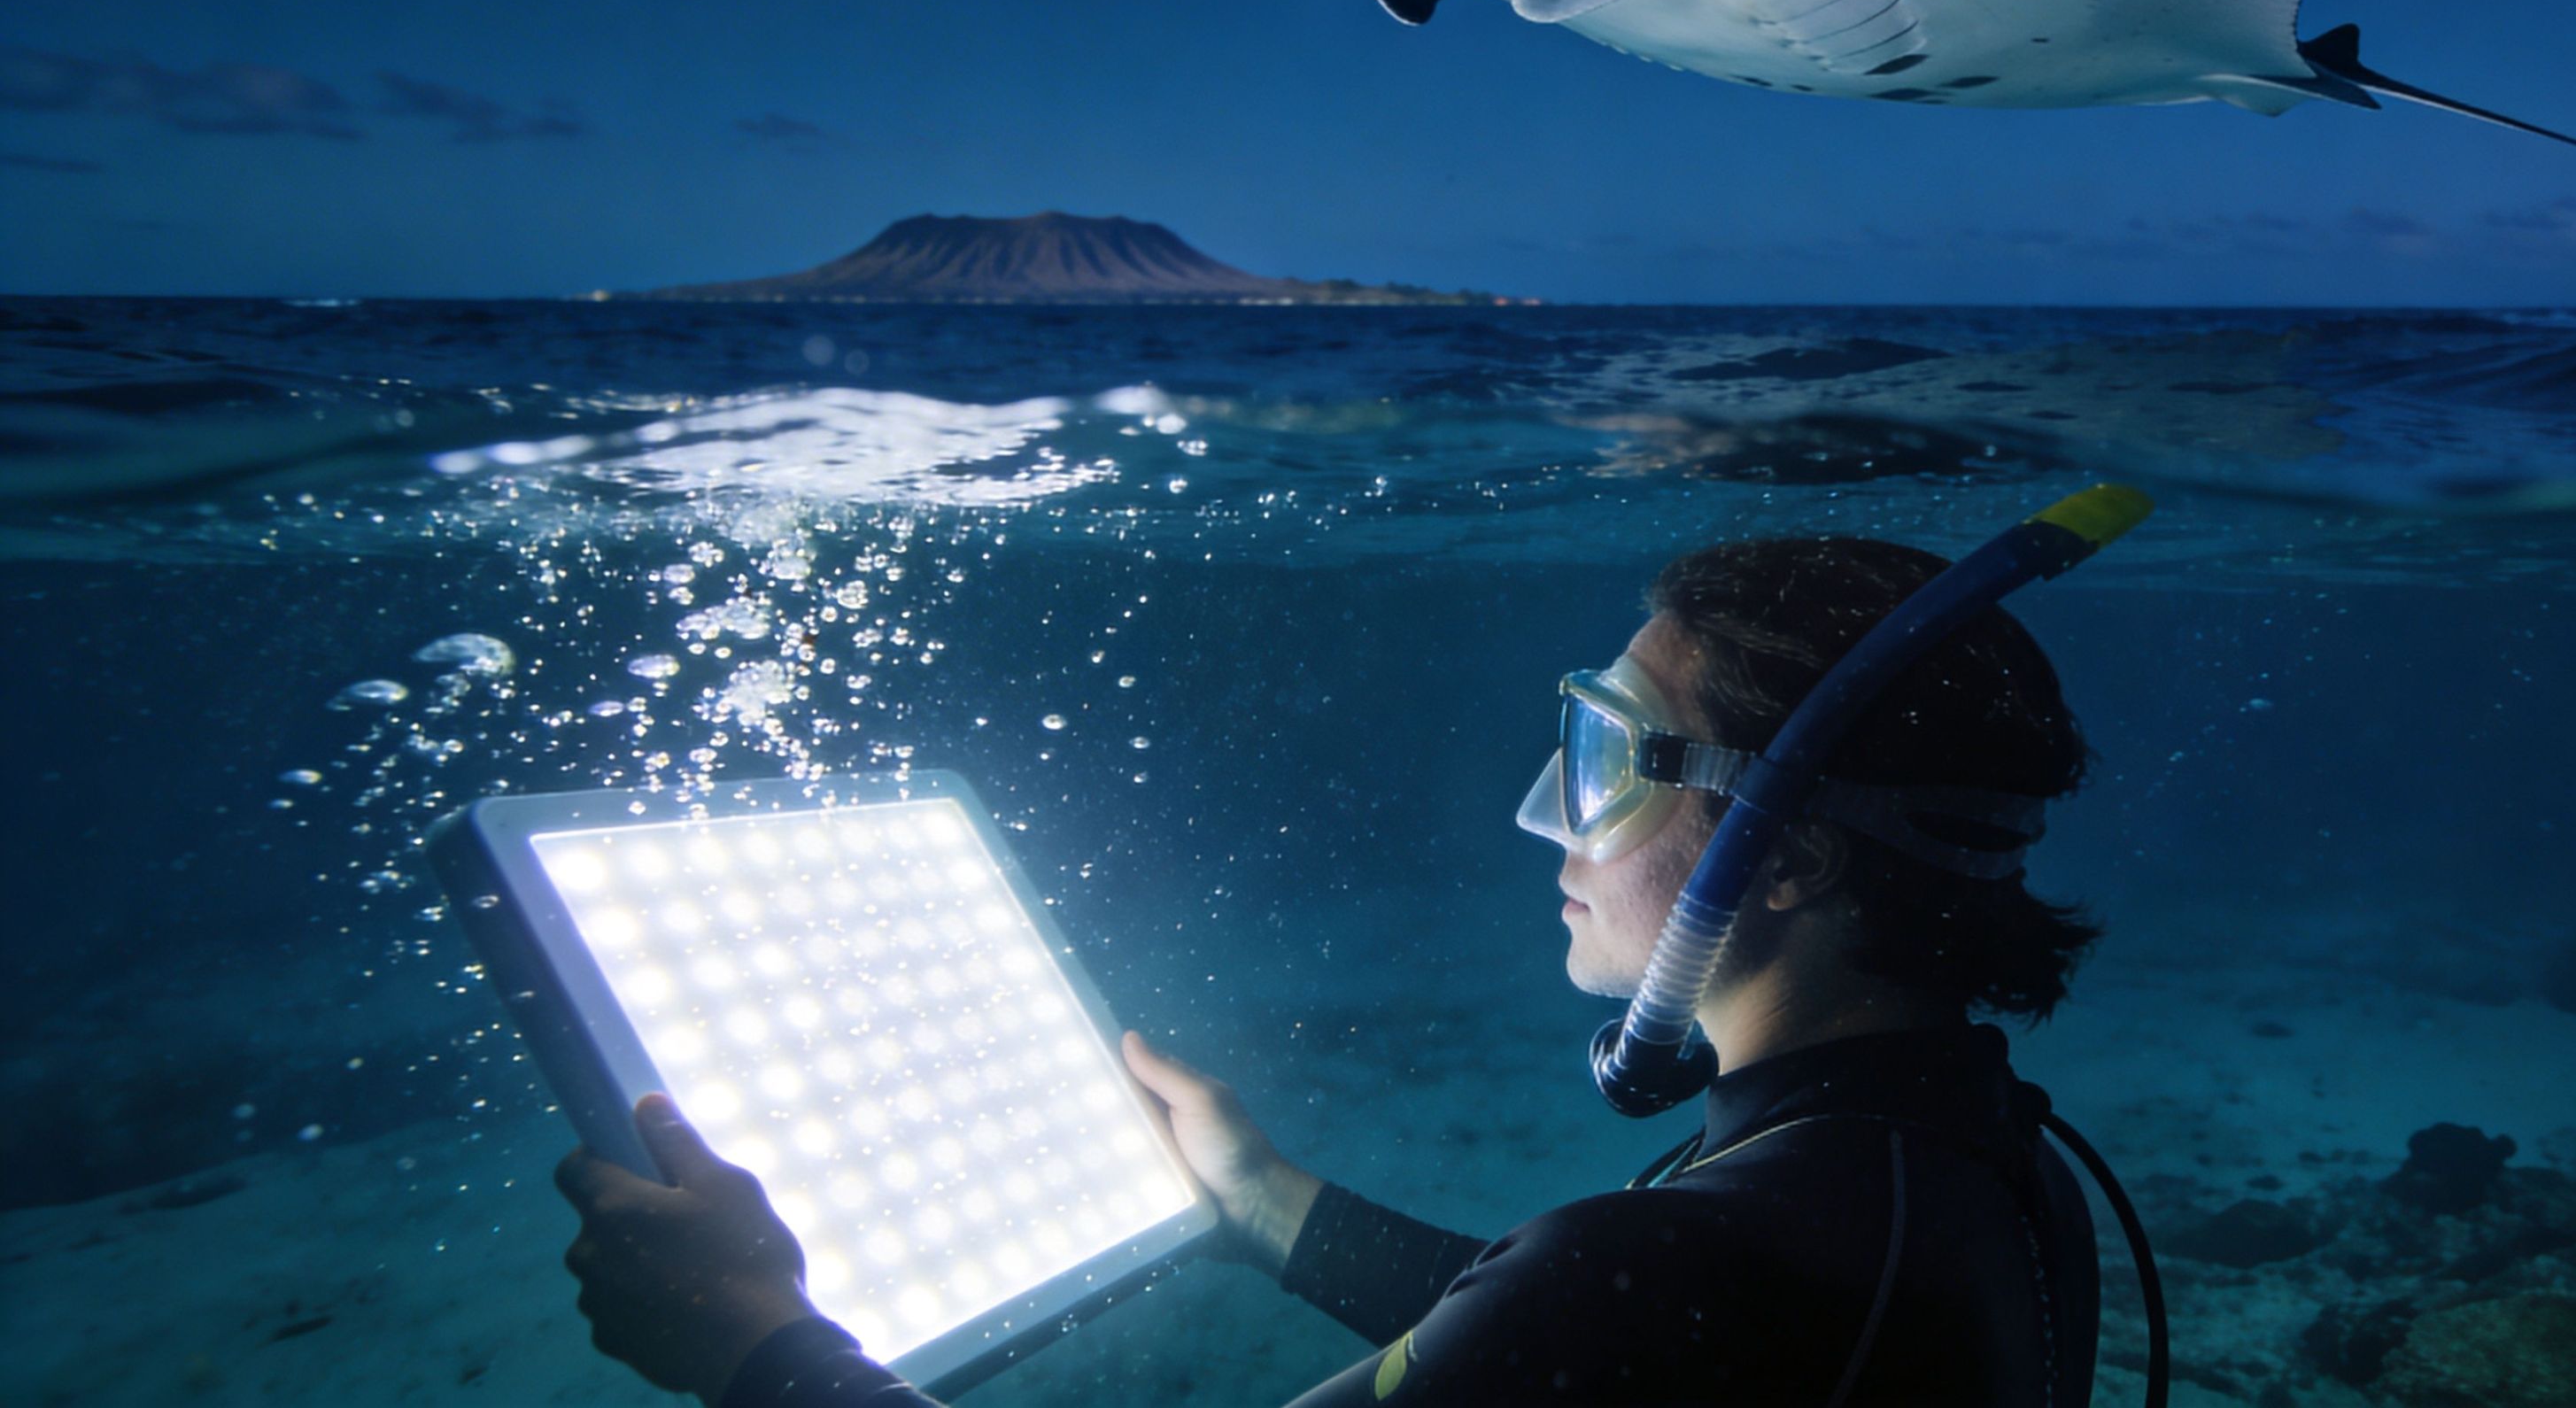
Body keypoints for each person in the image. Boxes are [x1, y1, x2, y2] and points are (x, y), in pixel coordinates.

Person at [557, 535, 2116, 1405]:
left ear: (1789, 856)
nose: (1549, 823)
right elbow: (1603, 1354)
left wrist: (759, 1344)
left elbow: (1590, 1328)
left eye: (1604, 761)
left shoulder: (1716, 1255)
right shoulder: (1986, 1169)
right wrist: (1262, 1202)